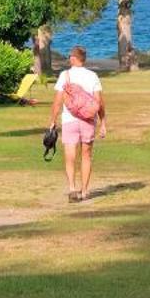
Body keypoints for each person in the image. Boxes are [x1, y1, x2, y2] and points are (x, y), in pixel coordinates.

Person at [50, 46, 105, 203]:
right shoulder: (93, 76)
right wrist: (103, 122)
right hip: (88, 120)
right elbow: (99, 102)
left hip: (70, 120)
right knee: (86, 155)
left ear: (74, 58)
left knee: (70, 156)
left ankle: (72, 188)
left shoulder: (65, 75)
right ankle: (85, 191)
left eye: (70, 56)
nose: (69, 59)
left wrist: (52, 121)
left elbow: (57, 101)